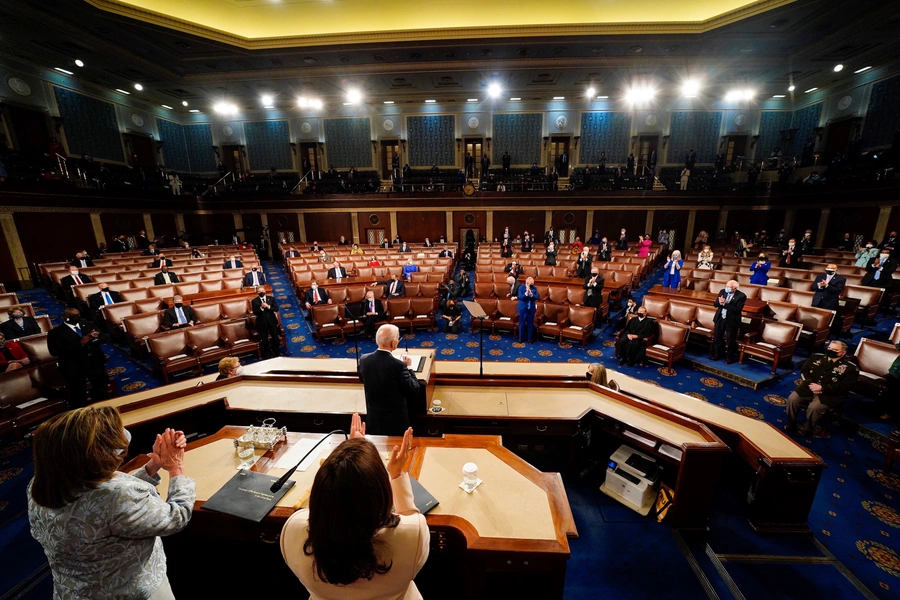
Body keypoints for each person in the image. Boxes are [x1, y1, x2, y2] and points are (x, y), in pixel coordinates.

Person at [28, 409, 193, 600]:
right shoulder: (118, 496)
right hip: (130, 592)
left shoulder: (43, 484)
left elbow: (107, 499)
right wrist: (176, 467)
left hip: (73, 591)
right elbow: (176, 517)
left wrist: (153, 466)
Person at [281, 417, 427, 599]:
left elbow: (332, 503)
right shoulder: (413, 535)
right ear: (381, 494)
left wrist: (352, 453)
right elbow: (409, 519)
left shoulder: (291, 531)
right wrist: (397, 475)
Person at [785, 341, 859, 435]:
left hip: (829, 393)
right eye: (829, 348)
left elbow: (845, 386)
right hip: (809, 387)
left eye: (835, 350)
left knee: (814, 407)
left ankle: (807, 429)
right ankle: (790, 422)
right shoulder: (816, 357)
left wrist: (822, 388)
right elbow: (804, 371)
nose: (830, 351)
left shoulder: (850, 368)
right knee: (793, 399)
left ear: (843, 353)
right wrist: (811, 385)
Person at [358, 325, 420, 434]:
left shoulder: (363, 360)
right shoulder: (398, 365)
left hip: (374, 418)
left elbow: (362, 379)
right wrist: (409, 367)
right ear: (393, 343)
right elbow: (414, 388)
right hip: (395, 421)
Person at [47, 308, 109, 407]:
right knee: (79, 393)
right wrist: (80, 343)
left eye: (77, 315)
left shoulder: (88, 324)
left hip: (94, 362)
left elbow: (104, 338)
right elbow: (54, 351)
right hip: (74, 366)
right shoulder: (55, 332)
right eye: (71, 315)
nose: (75, 317)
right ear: (64, 317)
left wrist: (94, 339)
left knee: (101, 388)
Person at [712, 280, 746, 364]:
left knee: (730, 340)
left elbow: (737, 310)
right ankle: (717, 354)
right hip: (720, 318)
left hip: (732, 320)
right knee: (717, 337)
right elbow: (715, 304)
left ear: (735, 288)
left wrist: (724, 304)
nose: (726, 288)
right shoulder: (722, 291)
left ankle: (729, 357)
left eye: (729, 287)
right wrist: (720, 302)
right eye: (726, 286)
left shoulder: (741, 296)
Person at [514, 276, 538, 343]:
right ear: (527, 283)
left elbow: (536, 297)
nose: (531, 285)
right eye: (530, 284)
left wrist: (530, 293)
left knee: (530, 324)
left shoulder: (534, 288)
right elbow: (521, 297)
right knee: (521, 324)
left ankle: (530, 339)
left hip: (531, 309)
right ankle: (520, 339)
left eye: (532, 284)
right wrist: (526, 293)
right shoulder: (521, 288)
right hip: (522, 309)